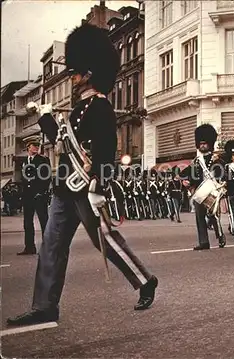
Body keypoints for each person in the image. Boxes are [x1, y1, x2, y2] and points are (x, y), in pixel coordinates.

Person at [7, 24, 158, 327]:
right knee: (51, 244)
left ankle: (144, 280)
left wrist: (99, 185)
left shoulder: (99, 107)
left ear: (89, 73)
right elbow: (60, 143)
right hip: (64, 187)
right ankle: (45, 306)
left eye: (76, 73)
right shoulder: (78, 109)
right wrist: (45, 117)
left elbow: (106, 151)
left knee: (105, 239)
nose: (73, 77)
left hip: (86, 188)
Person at [180, 124, 226, 250]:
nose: (202, 146)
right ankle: (204, 242)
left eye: (205, 144)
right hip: (200, 191)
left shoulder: (216, 159)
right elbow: (191, 176)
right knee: (199, 217)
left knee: (213, 215)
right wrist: (186, 182)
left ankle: (220, 235)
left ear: (209, 144)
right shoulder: (196, 161)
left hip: (212, 190)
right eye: (200, 144)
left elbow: (222, 173)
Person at [17, 135, 51, 255]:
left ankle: (48, 248)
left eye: (37, 145)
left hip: (39, 195)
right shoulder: (24, 161)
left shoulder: (43, 160)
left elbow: (47, 178)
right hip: (28, 197)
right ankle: (29, 247)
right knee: (27, 223)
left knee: (44, 221)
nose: (36, 147)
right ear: (28, 147)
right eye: (34, 146)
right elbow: (23, 179)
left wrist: (41, 192)